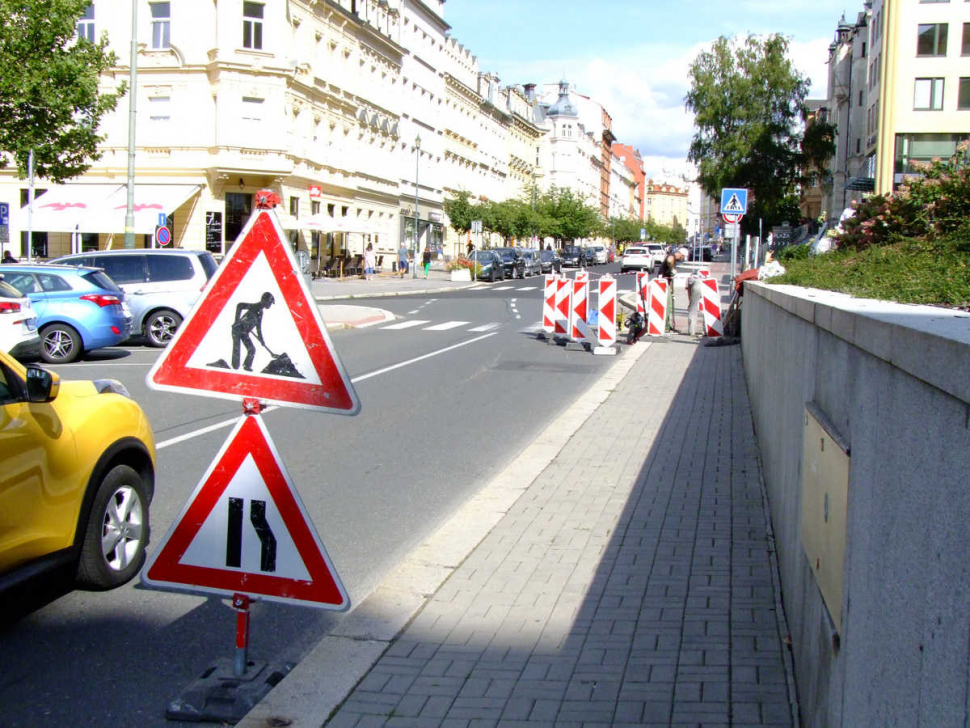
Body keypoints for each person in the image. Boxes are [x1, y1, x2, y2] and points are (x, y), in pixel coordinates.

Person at [231, 292, 274, 372]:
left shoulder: (260, 313)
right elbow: (240, 305)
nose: (270, 305)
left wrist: (261, 340)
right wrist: (236, 321)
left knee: (252, 349)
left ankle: (247, 366)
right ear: (265, 301)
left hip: (245, 332)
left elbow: (258, 328)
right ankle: (234, 370)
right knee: (236, 350)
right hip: (237, 329)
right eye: (270, 303)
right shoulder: (255, 306)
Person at [658, 247, 687, 333]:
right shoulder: (672, 257)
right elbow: (669, 261)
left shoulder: (672, 256)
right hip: (663, 284)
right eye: (682, 257)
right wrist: (672, 269)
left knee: (667, 305)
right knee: (667, 306)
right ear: (681, 255)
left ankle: (666, 325)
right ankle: (664, 326)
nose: (681, 259)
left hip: (664, 284)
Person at [686, 269, 705, 336]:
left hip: (695, 287)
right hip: (704, 285)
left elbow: (689, 291)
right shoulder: (703, 277)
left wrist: (690, 303)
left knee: (693, 309)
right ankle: (705, 329)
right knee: (706, 310)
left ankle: (691, 331)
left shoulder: (689, 278)